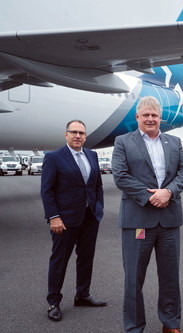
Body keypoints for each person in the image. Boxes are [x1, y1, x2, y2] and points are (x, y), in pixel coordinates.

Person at [112, 96, 183, 333]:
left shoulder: (174, 142)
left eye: (154, 115)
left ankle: (170, 323)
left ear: (160, 119)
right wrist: (150, 197)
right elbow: (120, 175)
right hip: (138, 220)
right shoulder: (123, 142)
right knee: (134, 279)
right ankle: (135, 326)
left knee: (170, 277)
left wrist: (169, 192)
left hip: (168, 221)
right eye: (145, 115)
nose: (150, 119)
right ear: (137, 117)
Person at [41, 120, 106, 322]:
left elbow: (97, 185)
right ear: (66, 135)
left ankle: (83, 295)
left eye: (81, 133)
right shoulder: (54, 157)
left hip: (89, 217)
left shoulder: (92, 155)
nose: (78, 136)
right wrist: (54, 217)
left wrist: (98, 208)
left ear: (86, 136)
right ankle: (54, 302)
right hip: (64, 220)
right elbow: (47, 190)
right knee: (59, 260)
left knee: (86, 258)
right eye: (74, 132)